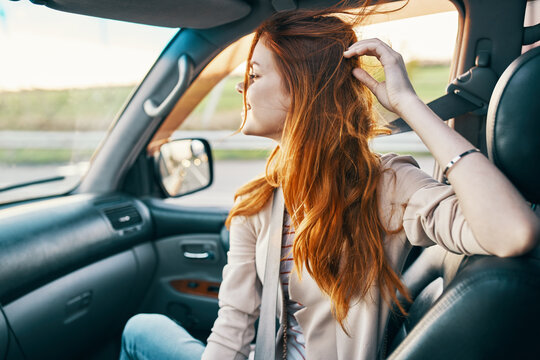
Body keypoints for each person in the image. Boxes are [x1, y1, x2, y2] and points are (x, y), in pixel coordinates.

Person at [119, 7, 540, 360]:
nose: (239, 85)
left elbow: (513, 232)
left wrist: (409, 105)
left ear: (299, 90)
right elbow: (232, 332)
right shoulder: (256, 202)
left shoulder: (387, 185)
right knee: (145, 327)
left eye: (254, 73)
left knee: (140, 331)